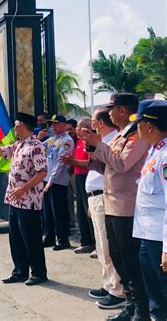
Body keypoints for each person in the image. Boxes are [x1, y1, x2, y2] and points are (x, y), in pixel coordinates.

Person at [81, 93, 151, 321]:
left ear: (122, 111)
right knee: (118, 258)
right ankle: (131, 304)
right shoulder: (121, 136)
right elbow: (109, 168)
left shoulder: (136, 135)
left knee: (130, 260)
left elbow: (122, 164)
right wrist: (94, 153)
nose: (109, 114)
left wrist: (99, 145)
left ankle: (141, 309)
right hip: (112, 205)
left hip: (127, 207)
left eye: (112, 109)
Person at [62, 108, 126, 309]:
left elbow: (114, 169)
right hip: (96, 196)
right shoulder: (103, 141)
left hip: (105, 196)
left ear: (100, 123)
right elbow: (95, 166)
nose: (91, 125)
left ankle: (118, 290)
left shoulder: (113, 140)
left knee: (108, 246)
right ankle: (108, 284)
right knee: (101, 246)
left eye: (95, 121)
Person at [0, 113, 48, 286]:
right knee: (15, 237)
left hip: (28, 200)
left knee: (31, 238)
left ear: (22, 125)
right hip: (14, 200)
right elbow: (0, 151)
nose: (14, 128)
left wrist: (23, 188)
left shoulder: (36, 146)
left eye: (16, 125)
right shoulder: (18, 145)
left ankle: (38, 273)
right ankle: (20, 271)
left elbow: (42, 172)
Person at [131, 100, 167, 321]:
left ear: (150, 126)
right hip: (147, 234)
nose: (136, 127)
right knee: (154, 293)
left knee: (163, 292)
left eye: (139, 122)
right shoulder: (155, 151)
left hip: (159, 239)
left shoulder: (165, 156)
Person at [42, 114, 74, 251]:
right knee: (47, 211)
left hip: (58, 181)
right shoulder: (52, 140)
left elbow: (61, 163)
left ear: (64, 125)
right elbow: (39, 147)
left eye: (56, 124)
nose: (53, 127)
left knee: (59, 212)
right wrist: (36, 139)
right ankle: (49, 236)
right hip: (46, 179)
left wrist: (51, 180)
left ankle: (63, 239)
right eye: (51, 124)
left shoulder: (67, 141)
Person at [72, 117, 95, 254]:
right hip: (78, 176)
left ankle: (95, 242)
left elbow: (90, 163)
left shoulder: (91, 142)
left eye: (79, 128)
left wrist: (73, 161)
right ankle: (85, 241)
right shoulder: (79, 142)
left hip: (88, 176)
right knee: (80, 210)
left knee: (90, 210)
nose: (77, 131)